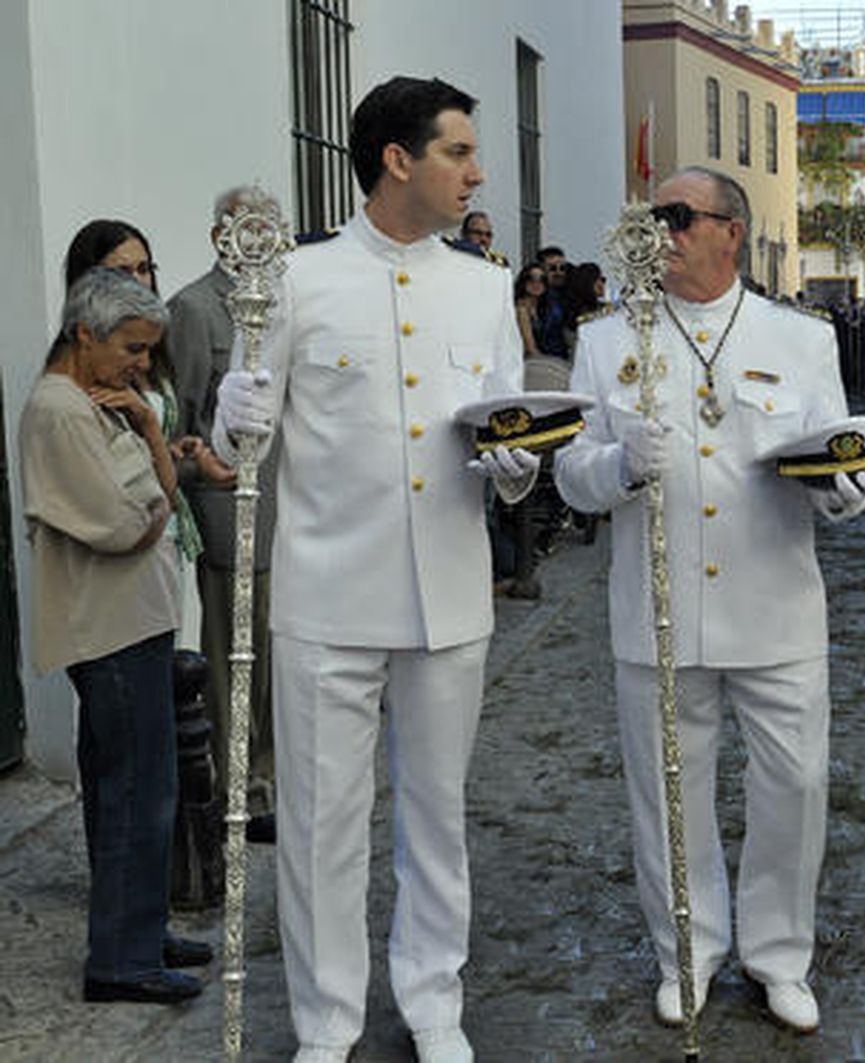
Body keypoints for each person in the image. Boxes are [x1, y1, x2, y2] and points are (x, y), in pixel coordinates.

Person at [213, 76, 534, 1063]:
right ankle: (327, 1019)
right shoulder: (298, 280)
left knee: (438, 813)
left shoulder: (483, 287)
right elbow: (245, 439)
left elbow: (507, 425)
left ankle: (434, 1000)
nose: (475, 171)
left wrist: (517, 464)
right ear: (398, 160)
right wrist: (235, 417)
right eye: (457, 151)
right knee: (320, 823)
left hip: (446, 589)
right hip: (325, 592)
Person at [556, 165, 865, 1036]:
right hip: (658, 611)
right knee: (668, 791)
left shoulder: (800, 337)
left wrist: (844, 487)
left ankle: (779, 955)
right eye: (650, 215)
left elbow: (834, 457)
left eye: (677, 215)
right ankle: (687, 952)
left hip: (776, 604)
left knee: (797, 784)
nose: (660, 230)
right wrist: (619, 465)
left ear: (730, 231)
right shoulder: (603, 339)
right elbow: (569, 475)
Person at [19, 267, 213, 1005]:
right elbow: (125, 522)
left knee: (131, 787)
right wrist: (157, 482)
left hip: (131, 619)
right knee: (136, 790)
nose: (141, 363)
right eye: (132, 347)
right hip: (110, 626)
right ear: (85, 334)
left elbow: (150, 499)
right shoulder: (63, 411)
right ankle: (121, 958)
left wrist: (147, 442)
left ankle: (137, 930)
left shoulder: (98, 405)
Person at [165, 187, 279, 838]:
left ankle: (269, 777)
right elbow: (180, 421)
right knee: (234, 654)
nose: (266, 239)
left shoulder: (282, 307)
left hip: (285, 508)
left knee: (275, 656)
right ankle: (238, 788)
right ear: (223, 236)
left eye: (274, 227)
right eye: (252, 227)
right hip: (224, 507)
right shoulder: (192, 307)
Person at [64, 220, 230, 654]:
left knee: (158, 675)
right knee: (124, 681)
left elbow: (146, 439)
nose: (138, 281)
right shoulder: (87, 354)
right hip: (120, 544)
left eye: (144, 268)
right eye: (121, 272)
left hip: (167, 534)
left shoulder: (150, 349)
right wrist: (154, 436)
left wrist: (179, 450)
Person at [512, 262, 548, 357]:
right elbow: (530, 348)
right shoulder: (521, 309)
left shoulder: (542, 308)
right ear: (523, 282)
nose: (536, 284)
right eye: (531, 279)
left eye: (542, 279)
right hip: (525, 362)